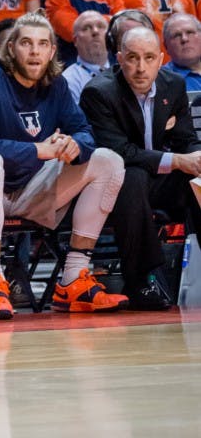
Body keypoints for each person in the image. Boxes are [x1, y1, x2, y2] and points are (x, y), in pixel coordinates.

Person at [0, 13, 127, 320]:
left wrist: (76, 144)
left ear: (53, 51)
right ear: (11, 48)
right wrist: (37, 150)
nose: (35, 51)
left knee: (109, 161)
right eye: (26, 43)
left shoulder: (57, 85)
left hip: (31, 191)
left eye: (42, 44)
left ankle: (73, 280)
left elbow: (85, 132)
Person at [81, 26, 201, 308]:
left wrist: (197, 159)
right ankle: (142, 280)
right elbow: (120, 152)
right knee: (131, 177)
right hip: (111, 183)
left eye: (149, 58)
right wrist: (178, 161)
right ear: (119, 59)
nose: (140, 68)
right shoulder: (98, 93)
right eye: (133, 58)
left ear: (161, 59)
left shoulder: (173, 85)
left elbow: (186, 140)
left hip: (158, 180)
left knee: (197, 182)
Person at [62, 11, 111, 105]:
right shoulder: (67, 82)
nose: (95, 31)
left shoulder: (123, 73)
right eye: (86, 28)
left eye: (100, 26)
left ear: (109, 36)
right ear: (75, 41)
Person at [162, 13, 201, 91]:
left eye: (190, 32)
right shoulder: (160, 80)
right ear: (166, 46)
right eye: (177, 35)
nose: (184, 39)